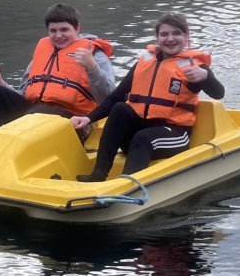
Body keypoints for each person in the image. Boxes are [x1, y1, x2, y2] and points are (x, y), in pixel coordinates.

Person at [70, 12, 224, 181]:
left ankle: (128, 186)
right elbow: (117, 96)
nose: (170, 39)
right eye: (164, 34)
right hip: (138, 137)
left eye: (176, 33)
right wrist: (88, 118)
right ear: (157, 38)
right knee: (120, 108)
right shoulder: (145, 62)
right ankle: (98, 174)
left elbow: (218, 93)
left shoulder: (194, 68)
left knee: (143, 137)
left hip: (174, 135)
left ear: (186, 37)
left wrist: (205, 77)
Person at [0, 3, 116, 142]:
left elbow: (109, 100)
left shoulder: (94, 55)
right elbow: (25, 94)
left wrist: (92, 68)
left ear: (77, 28)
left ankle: (7, 148)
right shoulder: (43, 52)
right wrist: (1, 83)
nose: (58, 35)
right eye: (53, 31)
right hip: (34, 113)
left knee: (38, 113)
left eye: (64, 30)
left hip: (73, 120)